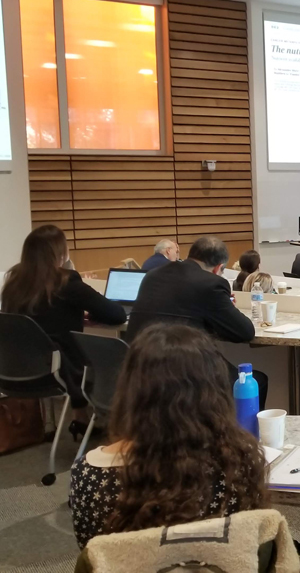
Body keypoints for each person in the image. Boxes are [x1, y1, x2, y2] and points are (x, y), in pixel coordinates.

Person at [69, 324, 267, 548]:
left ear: (132, 389)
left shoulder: (87, 473)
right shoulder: (239, 463)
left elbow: (92, 555)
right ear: (214, 391)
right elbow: (249, 546)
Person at [1, 225, 127, 434]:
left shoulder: (14, 282)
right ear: (59, 253)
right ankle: (104, 420)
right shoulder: (66, 280)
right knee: (109, 355)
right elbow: (117, 314)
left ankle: (80, 416)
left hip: (20, 369)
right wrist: (91, 314)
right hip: (60, 368)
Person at [127, 236, 268, 407]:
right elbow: (245, 332)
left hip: (140, 370)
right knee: (256, 382)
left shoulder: (152, 275)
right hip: (183, 374)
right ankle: (237, 433)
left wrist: (218, 307)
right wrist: (224, 309)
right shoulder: (212, 283)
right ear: (218, 268)